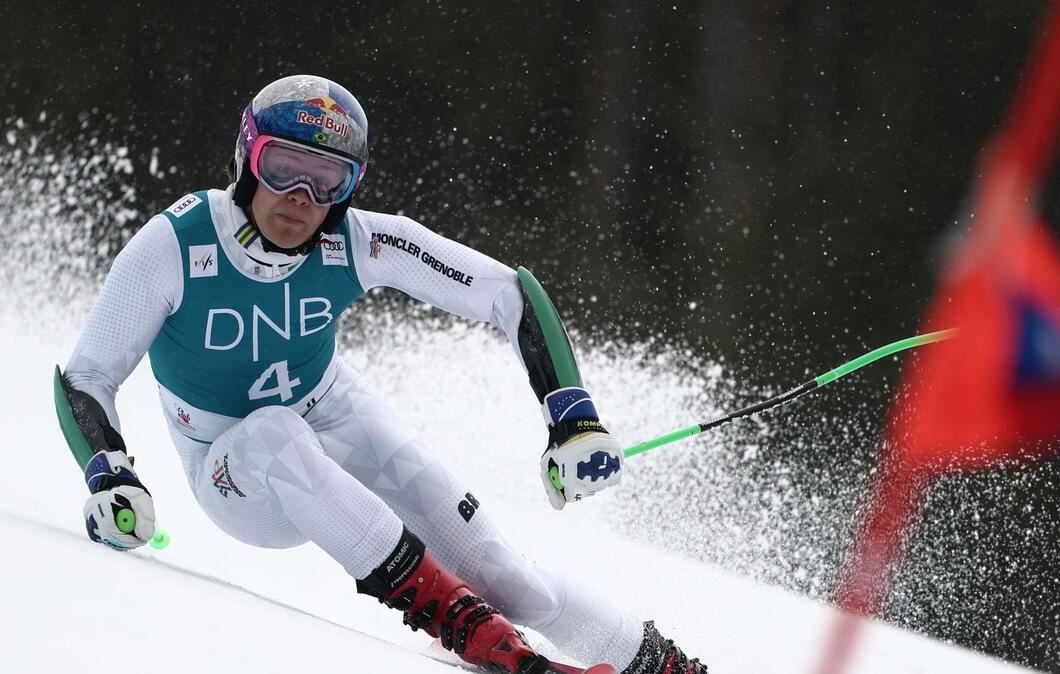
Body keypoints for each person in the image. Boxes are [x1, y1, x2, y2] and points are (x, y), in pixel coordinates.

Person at [54, 75, 705, 674]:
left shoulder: (358, 240)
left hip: (333, 414)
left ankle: (661, 666)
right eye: (283, 169)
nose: (301, 199)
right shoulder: (176, 244)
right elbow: (86, 376)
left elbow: (511, 291)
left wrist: (571, 414)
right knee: (272, 433)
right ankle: (462, 624)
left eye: (328, 181)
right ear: (247, 160)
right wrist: (109, 474)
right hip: (234, 477)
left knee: (508, 576)